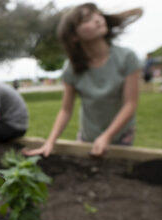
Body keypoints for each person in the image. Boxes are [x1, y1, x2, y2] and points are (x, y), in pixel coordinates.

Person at [23, 3, 143, 158]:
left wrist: (107, 136)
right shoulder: (72, 69)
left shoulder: (127, 58)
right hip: (87, 136)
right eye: (87, 19)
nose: (98, 20)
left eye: (97, 14)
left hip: (120, 136)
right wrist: (50, 142)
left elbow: (130, 104)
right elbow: (66, 110)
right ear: (74, 36)